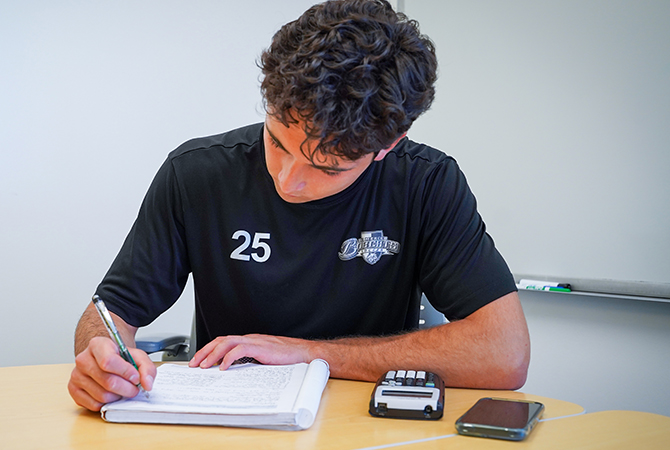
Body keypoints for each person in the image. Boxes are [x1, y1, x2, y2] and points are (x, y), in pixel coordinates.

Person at [68, 0, 530, 412]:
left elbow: (504, 353)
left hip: (364, 426)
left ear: (388, 146)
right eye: (277, 143)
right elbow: (110, 315)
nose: (287, 180)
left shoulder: (426, 184)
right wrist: (102, 357)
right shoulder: (196, 175)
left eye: (327, 169)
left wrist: (310, 353)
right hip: (225, 424)